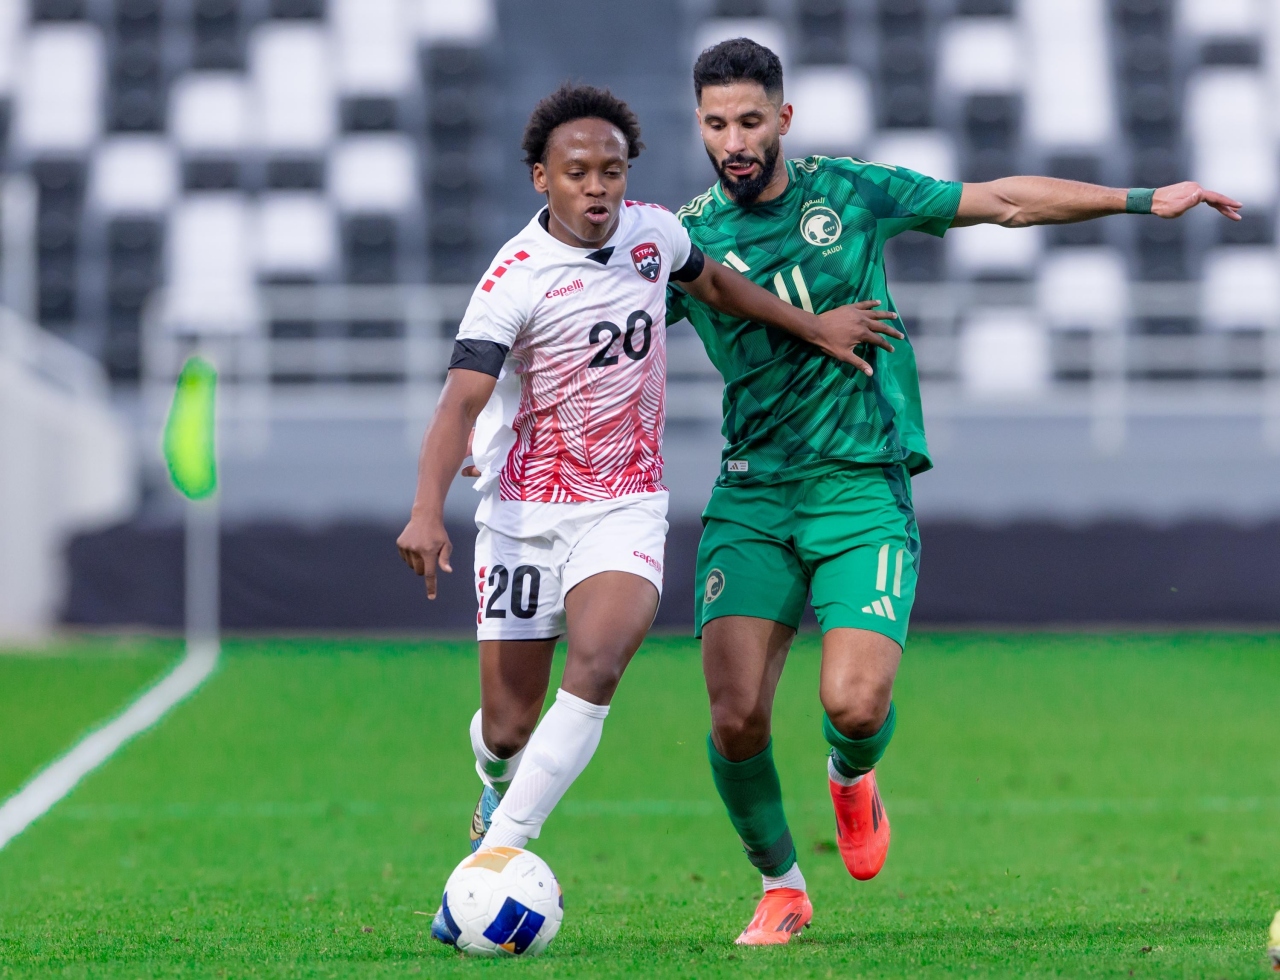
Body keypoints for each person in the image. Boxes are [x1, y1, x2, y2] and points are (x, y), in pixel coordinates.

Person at [668, 37, 1242, 946]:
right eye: (714, 124)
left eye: (748, 120)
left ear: (784, 118)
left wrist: (1141, 198)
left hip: (860, 485)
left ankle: (852, 775)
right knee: (736, 718)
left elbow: (1002, 202)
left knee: (853, 704)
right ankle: (781, 886)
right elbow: (601, 321)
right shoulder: (683, 237)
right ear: (696, 125)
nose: (733, 141)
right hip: (752, 491)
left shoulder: (849, 192)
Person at [395, 82, 904, 946]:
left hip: (624, 505)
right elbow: (458, 404)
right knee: (509, 724)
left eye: (612, 171)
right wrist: (426, 513)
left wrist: (811, 326)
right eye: (577, 172)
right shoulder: (511, 281)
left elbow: (723, 288)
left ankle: (499, 853)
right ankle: (493, 776)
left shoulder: (654, 233)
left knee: (598, 662)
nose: (598, 188)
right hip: (522, 513)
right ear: (540, 180)